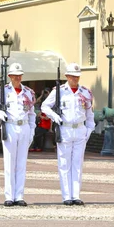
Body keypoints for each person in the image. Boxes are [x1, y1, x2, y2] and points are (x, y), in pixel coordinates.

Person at [42, 63, 95, 206]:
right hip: (64, 128)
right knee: (64, 163)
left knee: (77, 163)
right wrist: (54, 116)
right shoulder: (59, 91)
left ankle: (76, 195)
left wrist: (89, 130)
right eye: (72, 76)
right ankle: (66, 196)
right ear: (67, 76)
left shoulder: (85, 92)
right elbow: (45, 106)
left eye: (77, 76)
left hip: (79, 129)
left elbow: (90, 114)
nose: (75, 79)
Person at [0, 62, 36, 207]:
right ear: (9, 76)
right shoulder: (3, 91)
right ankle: (9, 196)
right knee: (10, 162)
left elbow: (32, 113)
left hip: (24, 126)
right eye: (14, 76)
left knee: (21, 163)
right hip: (10, 125)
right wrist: (0, 113)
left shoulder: (28, 92)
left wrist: (32, 130)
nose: (17, 78)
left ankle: (19, 196)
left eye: (19, 75)